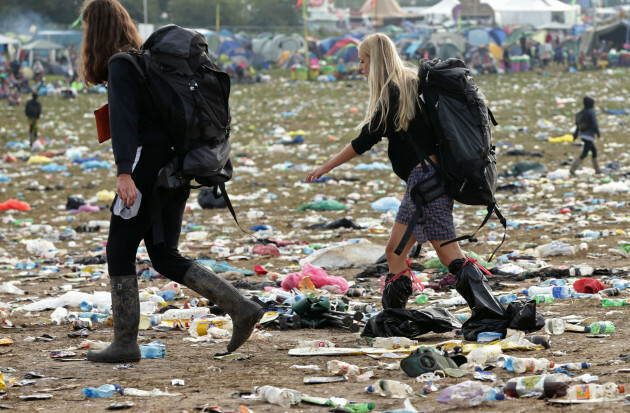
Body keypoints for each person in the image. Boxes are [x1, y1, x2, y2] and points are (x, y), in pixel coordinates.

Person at [77, 0, 262, 363]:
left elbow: (126, 125)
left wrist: (124, 174)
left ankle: (125, 342)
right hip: (176, 167)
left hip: (145, 169)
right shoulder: (147, 63)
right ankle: (241, 308)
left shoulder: (121, 66)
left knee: (119, 249)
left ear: (94, 31)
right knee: (162, 254)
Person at [305, 33, 486, 311]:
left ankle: (485, 311)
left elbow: (365, 140)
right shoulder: (410, 83)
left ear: (376, 61)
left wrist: (326, 166)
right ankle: (398, 315)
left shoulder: (392, 92)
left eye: (363, 61)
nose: (360, 67)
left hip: (425, 182)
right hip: (429, 179)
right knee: (415, 251)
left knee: (426, 252)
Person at [571, 96, 601, 175]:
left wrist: (575, 135)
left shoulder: (583, 112)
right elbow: (594, 123)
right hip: (589, 136)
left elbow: (578, 126)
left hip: (583, 135)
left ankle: (597, 170)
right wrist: (598, 132)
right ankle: (573, 168)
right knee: (585, 153)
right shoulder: (591, 111)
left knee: (594, 151)